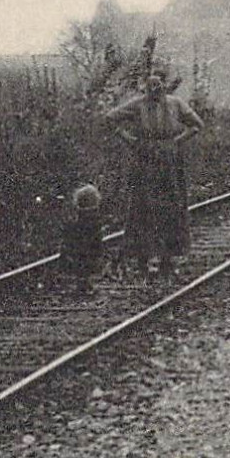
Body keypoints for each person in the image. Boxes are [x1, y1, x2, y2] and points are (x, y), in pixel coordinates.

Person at [105, 69, 204, 281]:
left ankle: (168, 259)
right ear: (145, 89)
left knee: (172, 206)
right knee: (142, 207)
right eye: (150, 88)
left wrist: (178, 141)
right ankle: (143, 260)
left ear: (164, 87)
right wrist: (129, 139)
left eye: (158, 87)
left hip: (169, 160)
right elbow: (111, 118)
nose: (154, 92)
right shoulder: (137, 104)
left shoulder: (176, 104)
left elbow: (197, 124)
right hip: (145, 159)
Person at [58, 183, 106, 294]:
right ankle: (85, 283)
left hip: (78, 245)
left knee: (81, 262)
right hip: (89, 245)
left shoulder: (78, 218)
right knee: (88, 262)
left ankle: (82, 283)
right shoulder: (94, 219)